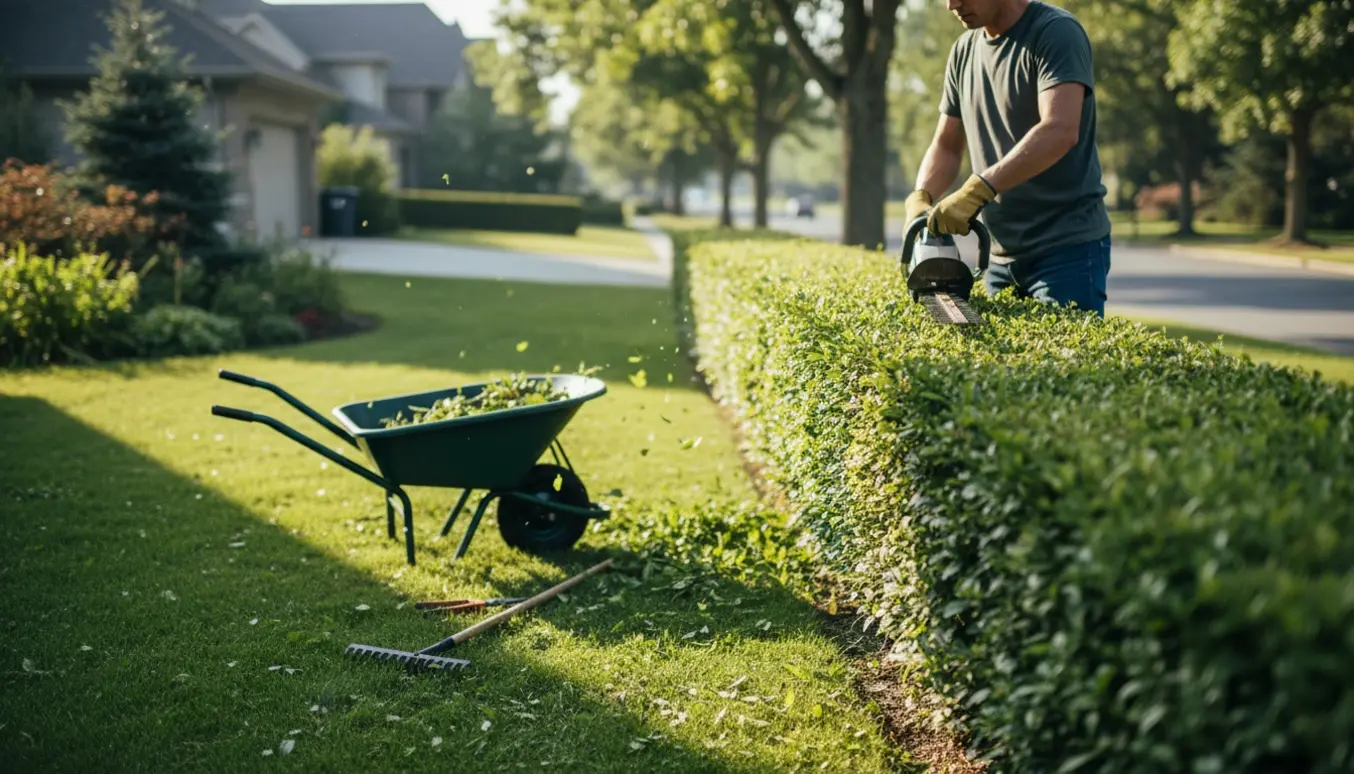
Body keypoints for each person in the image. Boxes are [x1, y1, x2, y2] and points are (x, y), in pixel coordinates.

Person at [905, 0, 1113, 316]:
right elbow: (947, 146)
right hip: (1000, 258)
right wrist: (922, 195)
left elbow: (1060, 129)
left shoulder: (1056, 32)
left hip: (1066, 251)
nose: (951, 5)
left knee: (1064, 350)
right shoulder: (964, 50)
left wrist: (977, 190)